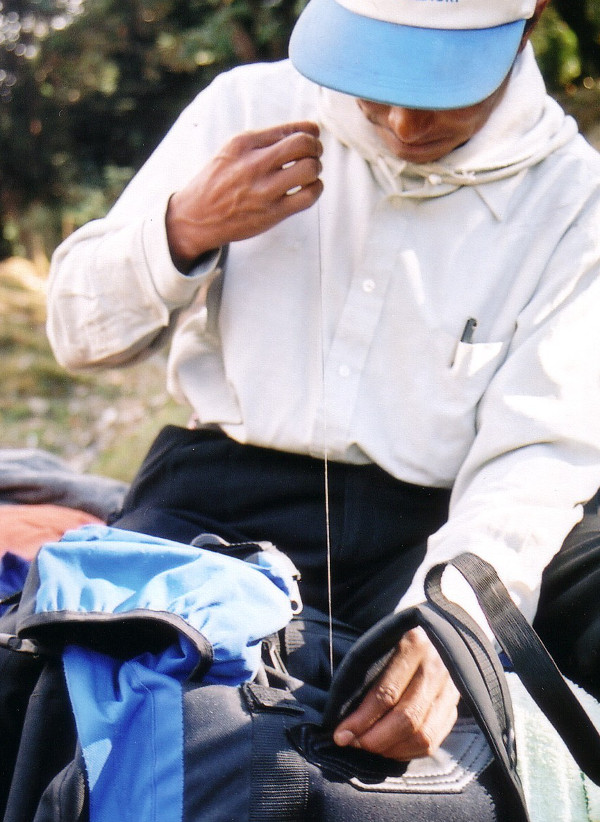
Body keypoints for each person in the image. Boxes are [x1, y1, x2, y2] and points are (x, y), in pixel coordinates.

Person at [46, 0, 600, 764]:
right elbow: (75, 337)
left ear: (530, 18)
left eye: (442, 86)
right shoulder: (249, 108)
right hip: (215, 498)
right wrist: (182, 229)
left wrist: (457, 622)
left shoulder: (574, 199)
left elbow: (541, 452)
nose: (404, 125)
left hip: (433, 524)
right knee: (98, 698)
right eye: (379, 83)